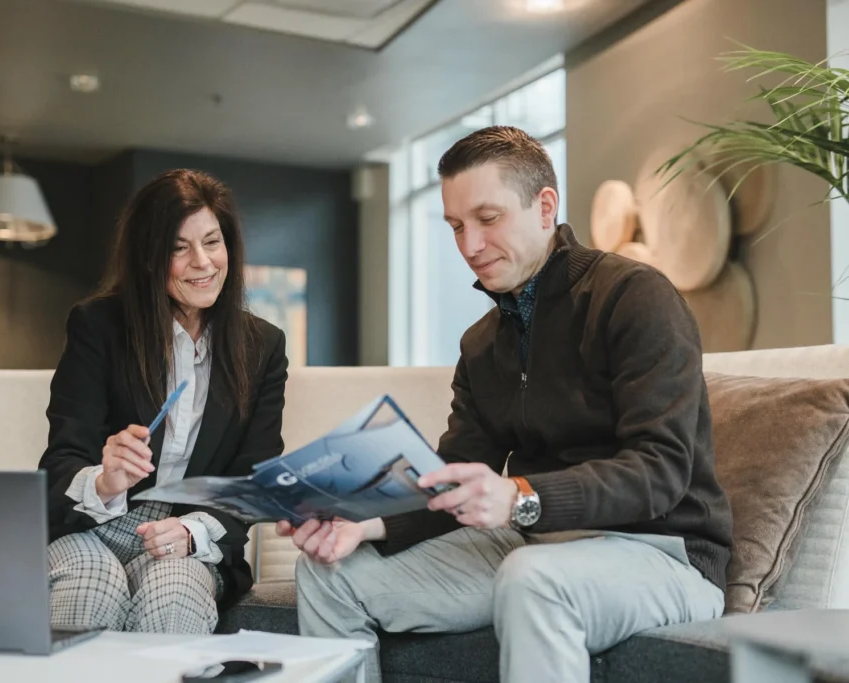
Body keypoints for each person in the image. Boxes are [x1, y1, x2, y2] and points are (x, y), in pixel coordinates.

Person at [279, 126, 733, 683]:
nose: (470, 246)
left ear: (545, 207)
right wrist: (363, 521)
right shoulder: (482, 343)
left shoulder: (635, 297)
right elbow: (454, 473)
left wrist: (519, 496)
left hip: (662, 553)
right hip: (532, 544)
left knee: (532, 577)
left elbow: (660, 471)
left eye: (487, 218)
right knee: (328, 573)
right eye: (456, 226)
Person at [39, 168, 288, 635]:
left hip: (185, 531)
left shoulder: (263, 346)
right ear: (149, 258)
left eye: (212, 242)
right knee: (92, 582)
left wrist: (194, 530)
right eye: (179, 248)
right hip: (92, 527)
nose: (203, 262)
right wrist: (105, 480)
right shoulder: (98, 326)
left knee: (174, 590)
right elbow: (61, 460)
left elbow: (252, 481)